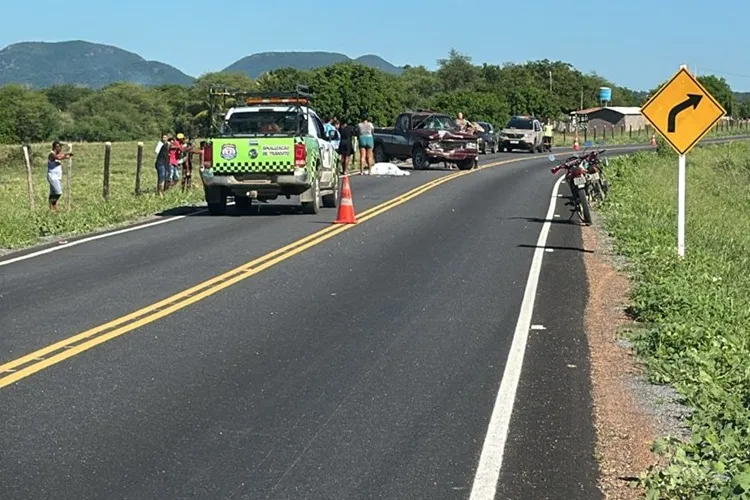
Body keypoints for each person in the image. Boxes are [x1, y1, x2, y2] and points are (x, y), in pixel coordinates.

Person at [47, 141, 72, 210]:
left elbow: (60, 155)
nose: (61, 148)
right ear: (56, 147)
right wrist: (66, 156)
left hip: (57, 177)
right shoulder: (51, 154)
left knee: (53, 193)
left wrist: (67, 154)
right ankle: (52, 203)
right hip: (53, 177)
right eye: (60, 147)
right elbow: (58, 157)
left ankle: (52, 209)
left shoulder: (57, 154)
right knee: (58, 192)